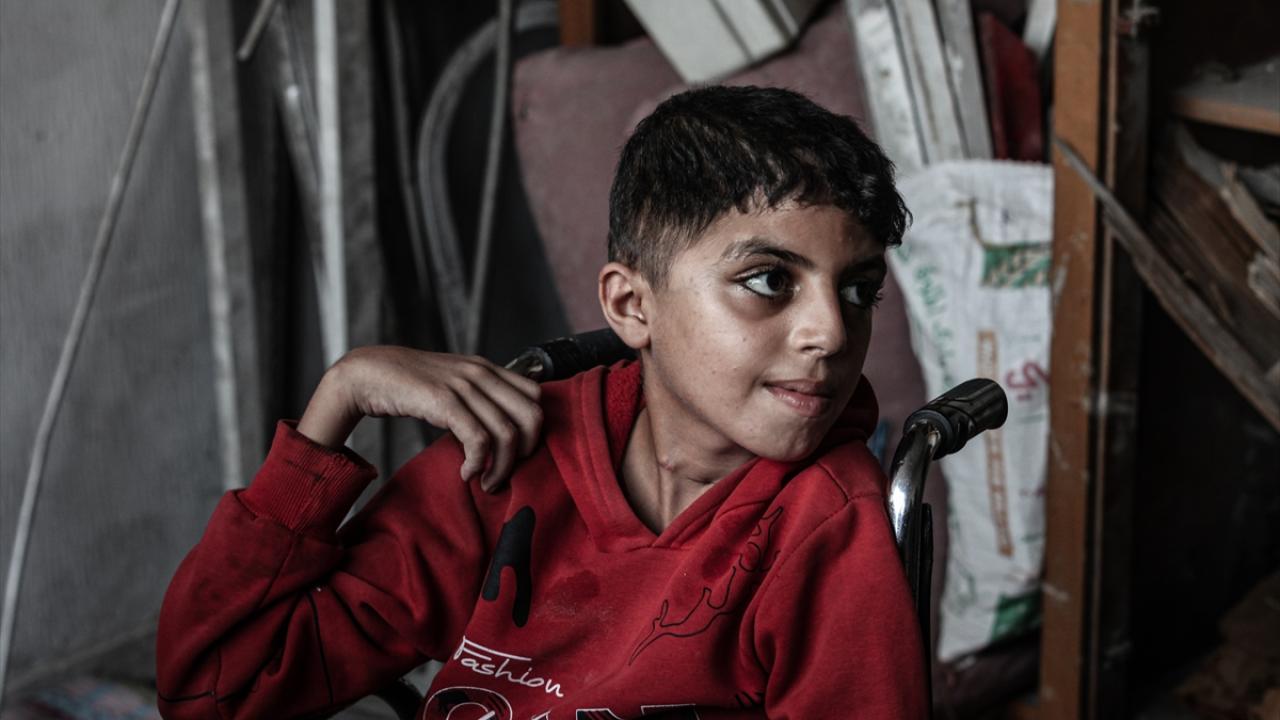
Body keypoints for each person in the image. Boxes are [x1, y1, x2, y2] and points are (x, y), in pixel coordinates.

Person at [156, 85, 925, 719]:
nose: (831, 332)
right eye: (769, 280)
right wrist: (340, 397)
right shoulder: (505, 459)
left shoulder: (823, 523)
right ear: (631, 306)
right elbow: (217, 693)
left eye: (859, 291)